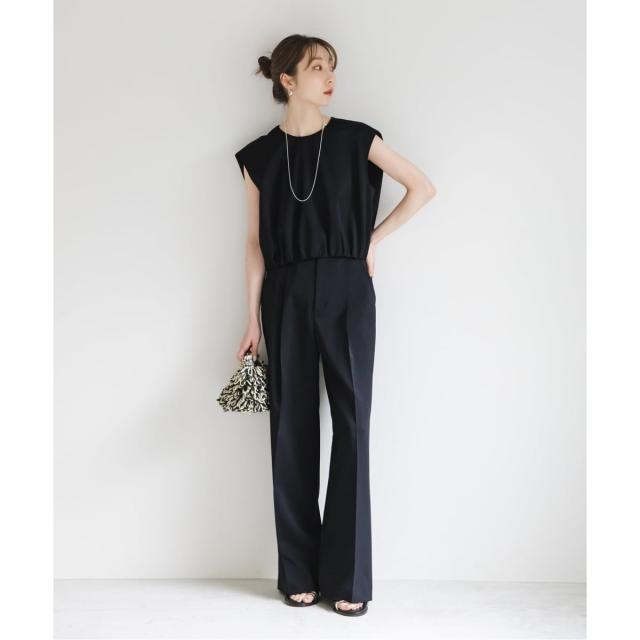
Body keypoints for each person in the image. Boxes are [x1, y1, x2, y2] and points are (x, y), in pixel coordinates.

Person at [234, 34, 436, 617]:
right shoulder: (258, 157)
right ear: (287, 80)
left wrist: (371, 240)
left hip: (348, 288)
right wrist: (251, 317)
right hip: (285, 292)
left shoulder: (356, 138)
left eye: (332, 68)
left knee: (352, 425)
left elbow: (423, 188)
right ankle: (297, 572)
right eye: (317, 67)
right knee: (290, 428)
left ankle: (348, 578)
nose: (330, 78)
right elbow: (254, 243)